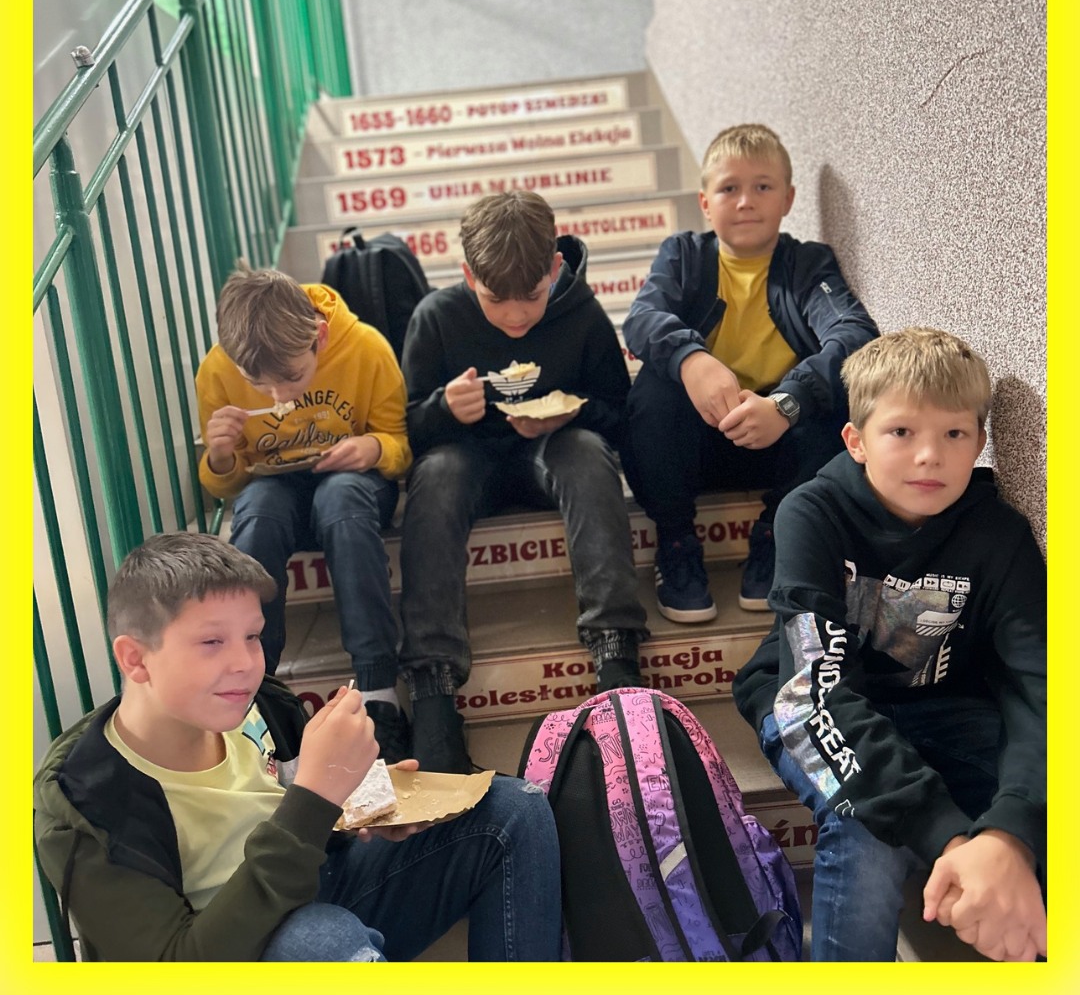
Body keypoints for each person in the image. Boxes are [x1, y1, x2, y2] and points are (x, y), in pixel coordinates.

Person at [33, 533, 562, 962]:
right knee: (319, 940)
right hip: (234, 952)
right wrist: (315, 796)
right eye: (212, 642)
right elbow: (180, 963)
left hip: (316, 889)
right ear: (135, 659)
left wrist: (360, 802)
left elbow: (297, 815)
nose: (245, 663)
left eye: (253, 636)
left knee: (513, 808)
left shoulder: (259, 707)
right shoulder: (85, 804)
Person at [732, 328, 1047, 962]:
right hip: (806, 703)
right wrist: (950, 840)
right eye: (901, 432)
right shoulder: (810, 513)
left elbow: (1038, 686)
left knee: (1038, 811)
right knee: (864, 826)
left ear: (980, 442)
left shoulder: (1001, 536)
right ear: (855, 441)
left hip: (947, 703)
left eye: (954, 434)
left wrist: (1008, 837)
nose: (930, 456)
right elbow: (815, 690)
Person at [398, 190, 651, 773]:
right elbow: (404, 431)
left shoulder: (582, 315)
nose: (515, 318)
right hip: (467, 460)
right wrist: (442, 409)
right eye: (495, 300)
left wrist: (576, 410)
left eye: (532, 298)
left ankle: (616, 653)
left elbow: (621, 414)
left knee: (587, 454)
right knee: (435, 476)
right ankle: (433, 686)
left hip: (550, 454)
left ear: (555, 270)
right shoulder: (436, 317)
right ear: (468, 276)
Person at [621, 123, 878, 620]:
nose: (745, 202)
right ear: (705, 202)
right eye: (729, 189)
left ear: (788, 199)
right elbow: (642, 318)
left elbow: (853, 334)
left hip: (778, 440)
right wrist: (692, 360)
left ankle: (777, 533)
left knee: (840, 400)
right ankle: (675, 541)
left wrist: (787, 402)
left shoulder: (807, 264)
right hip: (695, 444)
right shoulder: (684, 256)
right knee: (653, 390)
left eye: (762, 186)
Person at [195, 262, 411, 761]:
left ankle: (378, 691)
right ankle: (258, 693)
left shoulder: (366, 349)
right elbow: (225, 485)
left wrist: (374, 448)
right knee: (257, 512)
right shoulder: (217, 370)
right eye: (258, 384)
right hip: (274, 489)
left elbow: (400, 448)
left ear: (320, 335)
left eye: (292, 377)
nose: (279, 396)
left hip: (354, 487)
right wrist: (221, 455)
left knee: (341, 498)